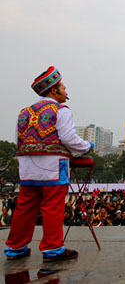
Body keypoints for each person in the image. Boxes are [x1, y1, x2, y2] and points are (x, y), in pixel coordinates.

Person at [5, 66, 93, 262]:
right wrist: (87, 146)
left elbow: (18, 140)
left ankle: (15, 247)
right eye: (63, 87)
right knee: (52, 206)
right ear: (54, 90)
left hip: (27, 168)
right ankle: (53, 248)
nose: (66, 92)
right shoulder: (60, 110)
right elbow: (69, 138)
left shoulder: (24, 112)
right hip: (52, 167)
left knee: (24, 207)